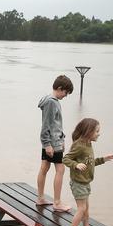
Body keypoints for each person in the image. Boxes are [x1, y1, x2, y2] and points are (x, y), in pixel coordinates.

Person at [62, 118, 113, 226]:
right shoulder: (79, 145)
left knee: (86, 209)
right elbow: (66, 159)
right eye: (96, 131)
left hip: (85, 182)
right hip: (78, 183)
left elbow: (90, 163)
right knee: (81, 209)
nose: (98, 133)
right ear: (88, 131)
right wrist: (76, 165)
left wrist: (103, 159)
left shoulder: (88, 144)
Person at [37, 75, 74, 212]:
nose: (66, 96)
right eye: (66, 92)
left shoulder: (48, 100)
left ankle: (40, 198)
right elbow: (46, 125)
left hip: (53, 141)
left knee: (45, 167)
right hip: (52, 142)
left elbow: (56, 124)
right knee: (60, 169)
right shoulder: (52, 102)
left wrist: (62, 138)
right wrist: (47, 144)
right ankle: (57, 202)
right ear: (59, 88)